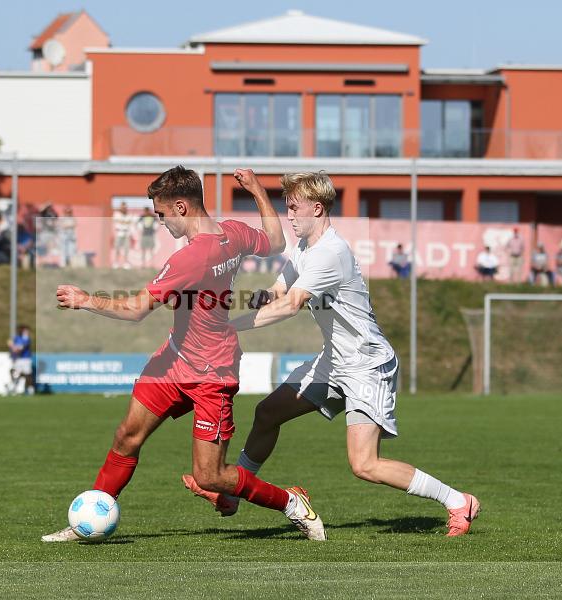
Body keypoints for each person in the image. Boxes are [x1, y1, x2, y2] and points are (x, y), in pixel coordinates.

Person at [183, 171, 480, 537]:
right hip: (334, 361)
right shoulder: (305, 248)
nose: (289, 216)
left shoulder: (330, 253)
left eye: (294, 208)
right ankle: (233, 495)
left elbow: (290, 305)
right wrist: (250, 299)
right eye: (286, 208)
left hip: (366, 364)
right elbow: (278, 291)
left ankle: (457, 501)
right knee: (267, 413)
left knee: (364, 464)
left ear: (317, 208)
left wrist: (228, 328)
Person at [46, 166, 326, 542]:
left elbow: (136, 310)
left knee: (210, 475)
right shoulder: (232, 232)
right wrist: (257, 189)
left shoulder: (190, 259)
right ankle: (89, 521)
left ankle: (291, 503)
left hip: (213, 370)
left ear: (181, 207)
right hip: (174, 360)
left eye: (162, 214)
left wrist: (85, 300)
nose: (161, 222)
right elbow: (276, 242)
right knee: (127, 435)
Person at [5, 325, 34, 396]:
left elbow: (21, 348)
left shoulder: (27, 338)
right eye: (25, 330)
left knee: (28, 374)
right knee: (15, 373)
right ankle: (13, 388)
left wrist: (14, 348)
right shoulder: (17, 338)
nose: (27, 332)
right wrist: (12, 348)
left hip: (26, 359)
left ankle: (30, 389)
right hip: (18, 359)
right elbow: (10, 342)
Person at [112, 202, 135, 269]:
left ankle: (126, 263)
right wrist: (126, 222)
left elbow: (130, 222)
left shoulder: (128, 215)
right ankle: (116, 262)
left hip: (127, 233)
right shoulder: (116, 214)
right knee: (117, 248)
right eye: (122, 207)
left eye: (125, 207)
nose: (124, 208)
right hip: (119, 233)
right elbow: (120, 221)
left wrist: (126, 222)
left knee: (126, 249)